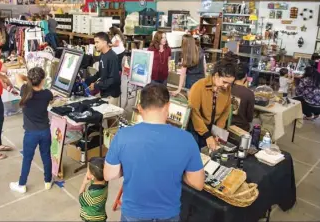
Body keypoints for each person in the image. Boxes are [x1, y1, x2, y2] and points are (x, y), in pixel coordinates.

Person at [104, 83, 204, 222]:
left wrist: (128, 167)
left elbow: (109, 174)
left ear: (139, 108)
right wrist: (178, 172)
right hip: (168, 214)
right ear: (168, 106)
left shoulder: (123, 136)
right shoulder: (186, 139)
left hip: (133, 213)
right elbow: (198, 183)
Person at [9, 67, 54, 193]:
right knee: (46, 156)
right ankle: (47, 181)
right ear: (43, 81)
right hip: (45, 131)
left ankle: (22, 184)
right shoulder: (47, 94)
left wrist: (27, 79)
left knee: (27, 158)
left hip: (30, 134)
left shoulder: (25, 91)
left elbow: (18, 75)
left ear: (30, 80)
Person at [188, 53, 237, 150]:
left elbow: (225, 111)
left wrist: (217, 132)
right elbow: (194, 113)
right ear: (216, 75)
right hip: (196, 130)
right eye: (224, 82)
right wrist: (207, 135)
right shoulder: (199, 86)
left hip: (212, 130)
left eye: (230, 83)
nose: (226, 86)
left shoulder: (226, 90)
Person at [85, 32, 121, 106]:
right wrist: (87, 80)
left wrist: (96, 86)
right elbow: (101, 74)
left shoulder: (112, 57)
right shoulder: (102, 54)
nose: (95, 45)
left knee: (110, 117)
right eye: (95, 42)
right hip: (104, 93)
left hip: (111, 95)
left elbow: (113, 79)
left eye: (97, 42)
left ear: (104, 43)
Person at [79, 157, 108, 222]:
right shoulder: (106, 182)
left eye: (87, 171)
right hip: (101, 216)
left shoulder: (91, 196)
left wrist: (84, 183)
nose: (86, 173)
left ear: (92, 176)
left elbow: (80, 197)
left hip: (91, 219)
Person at [231, 63, 255, 132]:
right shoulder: (249, 93)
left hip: (225, 124)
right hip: (241, 128)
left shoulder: (226, 87)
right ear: (245, 76)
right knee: (257, 121)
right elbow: (249, 118)